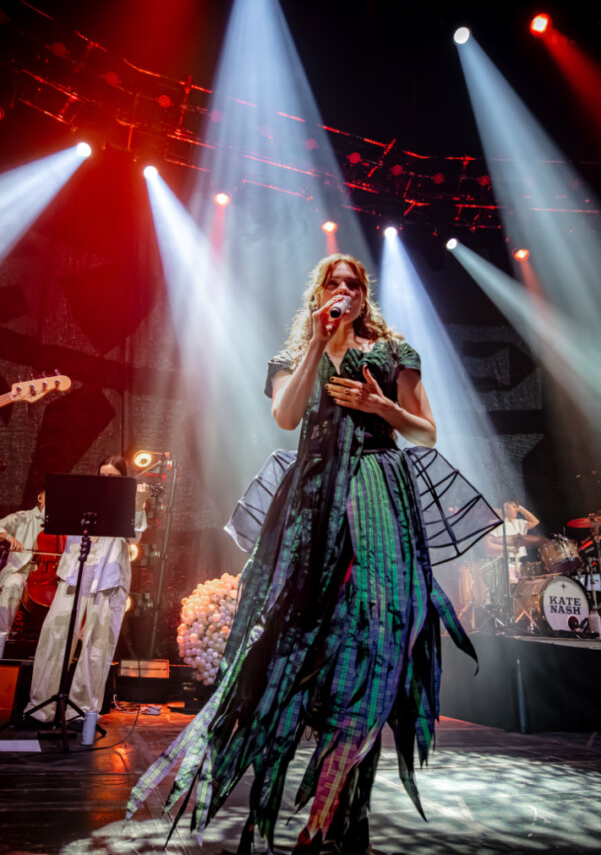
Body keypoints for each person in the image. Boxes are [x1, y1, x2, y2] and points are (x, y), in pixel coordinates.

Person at [128, 254, 499, 855]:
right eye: (335, 282)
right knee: (298, 643)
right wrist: (315, 347)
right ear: (319, 294)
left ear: (366, 295)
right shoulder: (291, 357)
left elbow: (426, 432)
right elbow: (286, 416)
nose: (345, 291)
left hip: (378, 494)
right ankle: (327, 803)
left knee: (376, 646)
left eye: (355, 284)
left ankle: (333, 816)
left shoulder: (392, 352)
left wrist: (383, 409)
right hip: (312, 501)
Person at [26, 456, 149, 723]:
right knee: (56, 635)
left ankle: (80, 711)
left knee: (97, 644)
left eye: (113, 478)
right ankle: (41, 707)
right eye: (103, 476)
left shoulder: (128, 501)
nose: (107, 482)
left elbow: (134, 535)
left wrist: (138, 503)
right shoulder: (82, 496)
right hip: (75, 571)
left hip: (108, 576)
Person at [0, 489, 47, 659]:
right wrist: (9, 538)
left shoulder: (60, 525)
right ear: (39, 496)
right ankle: (1, 636)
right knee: (14, 584)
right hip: (19, 572)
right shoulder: (24, 517)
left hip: (45, 577)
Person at [486, 499, 540, 583]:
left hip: (521, 565)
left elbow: (535, 521)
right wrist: (510, 549)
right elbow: (489, 546)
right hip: (505, 565)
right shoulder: (494, 524)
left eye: (517, 508)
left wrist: (520, 508)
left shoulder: (518, 523)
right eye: (514, 507)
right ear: (505, 507)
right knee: (513, 587)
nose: (517, 510)